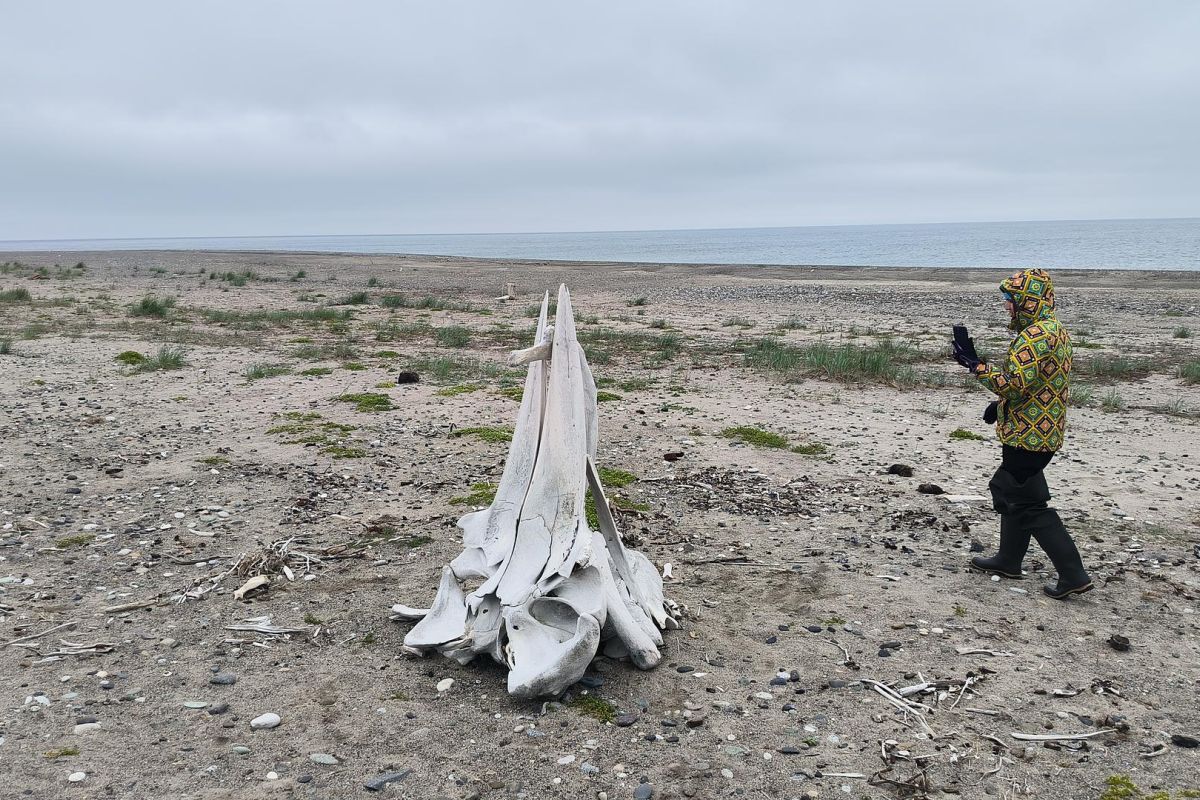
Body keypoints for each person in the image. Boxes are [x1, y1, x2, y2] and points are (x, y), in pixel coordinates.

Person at [951, 268, 1093, 599]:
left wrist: (974, 364)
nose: (1005, 306)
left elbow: (1013, 383)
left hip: (1030, 435)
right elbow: (1036, 386)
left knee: (1013, 494)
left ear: (1026, 302)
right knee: (1022, 494)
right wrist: (999, 407)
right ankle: (1008, 560)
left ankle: (1073, 575)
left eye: (1009, 300)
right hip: (1038, 430)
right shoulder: (1054, 330)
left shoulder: (1035, 336)